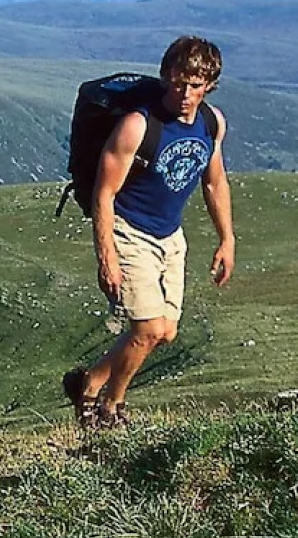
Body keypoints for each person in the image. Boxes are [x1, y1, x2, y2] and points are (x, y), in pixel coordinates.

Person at [64, 36, 235, 428]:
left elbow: (215, 182)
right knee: (147, 329)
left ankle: (89, 381)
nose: (185, 93)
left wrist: (226, 238)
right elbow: (104, 194)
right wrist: (107, 257)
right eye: (177, 82)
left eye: (195, 85)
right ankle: (109, 407)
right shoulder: (138, 125)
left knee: (166, 332)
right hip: (130, 230)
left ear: (209, 83)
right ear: (165, 78)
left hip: (170, 237)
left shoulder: (212, 123)